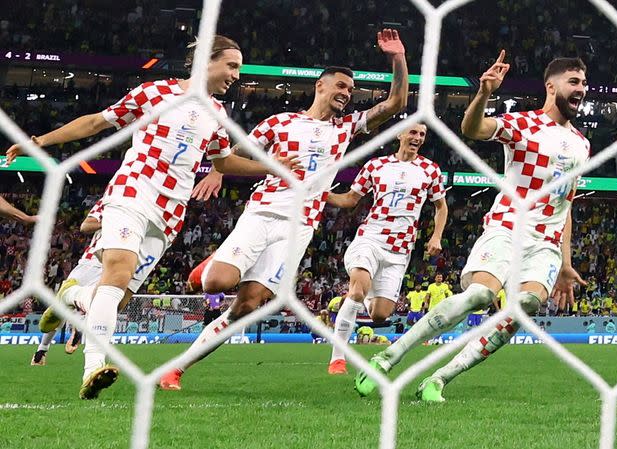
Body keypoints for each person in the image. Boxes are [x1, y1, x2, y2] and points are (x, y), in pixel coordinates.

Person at [7, 35, 291, 400]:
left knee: (118, 297)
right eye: (232, 65)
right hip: (134, 190)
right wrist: (41, 141)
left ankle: (74, 296)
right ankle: (93, 368)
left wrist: (271, 166)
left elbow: (223, 163)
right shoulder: (154, 93)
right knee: (118, 271)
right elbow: (97, 122)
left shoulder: (219, 114)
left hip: (171, 211)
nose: (236, 74)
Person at [159, 29, 409, 391]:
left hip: (299, 227)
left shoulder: (345, 129)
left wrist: (397, 59)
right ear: (321, 87)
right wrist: (216, 171)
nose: (346, 93)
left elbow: (395, 104)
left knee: (247, 307)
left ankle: (175, 371)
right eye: (340, 86)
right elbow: (236, 154)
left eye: (351, 90)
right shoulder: (279, 122)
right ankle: (208, 267)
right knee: (217, 283)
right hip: (262, 213)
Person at [355, 53, 590, 402]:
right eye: (574, 82)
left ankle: (440, 378)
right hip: (508, 226)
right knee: (481, 295)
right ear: (551, 86)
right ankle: (388, 357)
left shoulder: (582, 145)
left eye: (584, 83)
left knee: (524, 305)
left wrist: (567, 264)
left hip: (547, 243)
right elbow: (472, 129)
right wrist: (483, 93)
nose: (581, 89)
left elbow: (565, 204)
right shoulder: (525, 124)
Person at [326, 122, 447, 375]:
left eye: (422, 134)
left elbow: (441, 207)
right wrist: (320, 194)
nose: (418, 138)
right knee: (356, 291)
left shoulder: (430, 170)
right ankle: (337, 359)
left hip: (400, 249)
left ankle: (366, 294)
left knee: (380, 314)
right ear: (400, 134)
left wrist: (436, 236)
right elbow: (350, 199)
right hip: (371, 238)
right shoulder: (375, 166)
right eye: (413, 132)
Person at [31, 201, 104, 366]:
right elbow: (85, 226)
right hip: (91, 262)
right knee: (64, 306)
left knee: (66, 305)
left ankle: (43, 350)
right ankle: (77, 325)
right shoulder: (108, 206)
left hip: (109, 266)